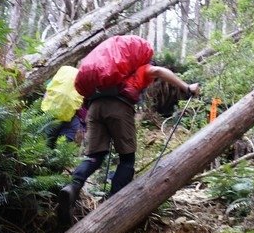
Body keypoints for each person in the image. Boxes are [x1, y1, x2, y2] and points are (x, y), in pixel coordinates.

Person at [58, 35, 200, 221]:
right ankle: (112, 207)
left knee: (95, 156)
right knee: (127, 159)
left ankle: (73, 187)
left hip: (95, 107)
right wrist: (187, 87)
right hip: (118, 107)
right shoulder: (141, 68)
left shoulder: (108, 74)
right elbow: (158, 71)